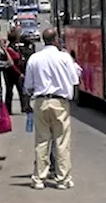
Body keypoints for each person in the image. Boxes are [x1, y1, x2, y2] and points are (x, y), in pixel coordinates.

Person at [23, 28, 81, 190]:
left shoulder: (35, 58)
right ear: (56, 40)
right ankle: (62, 178)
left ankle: (39, 178)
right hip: (60, 103)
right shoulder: (64, 57)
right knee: (61, 141)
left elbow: (28, 85)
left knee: (42, 141)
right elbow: (75, 79)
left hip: (41, 102)